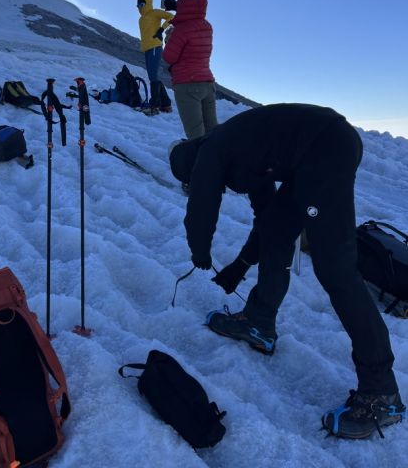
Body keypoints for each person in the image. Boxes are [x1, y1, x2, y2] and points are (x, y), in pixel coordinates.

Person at [168, 103, 405, 439]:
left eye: (191, 180)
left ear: (191, 167)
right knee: (278, 231)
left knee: (335, 268)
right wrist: (241, 264)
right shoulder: (241, 151)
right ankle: (259, 322)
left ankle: (382, 392)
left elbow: (201, 206)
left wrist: (200, 252)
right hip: (313, 151)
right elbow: (267, 220)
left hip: (326, 145)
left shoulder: (211, 150)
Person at [162, 0, 217, 139]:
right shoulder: (207, 27)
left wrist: (169, 39)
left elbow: (169, 57)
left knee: (196, 135)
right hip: (208, 84)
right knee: (212, 132)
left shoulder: (181, 29)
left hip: (187, 85)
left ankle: (199, 155)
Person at [136, 0, 174, 113]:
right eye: (138, 5)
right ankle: (166, 104)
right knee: (153, 76)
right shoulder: (141, 19)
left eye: (142, 4)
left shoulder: (154, 12)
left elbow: (171, 16)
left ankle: (155, 105)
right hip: (147, 48)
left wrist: (162, 29)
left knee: (152, 76)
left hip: (155, 46)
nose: (140, 7)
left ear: (148, 3)